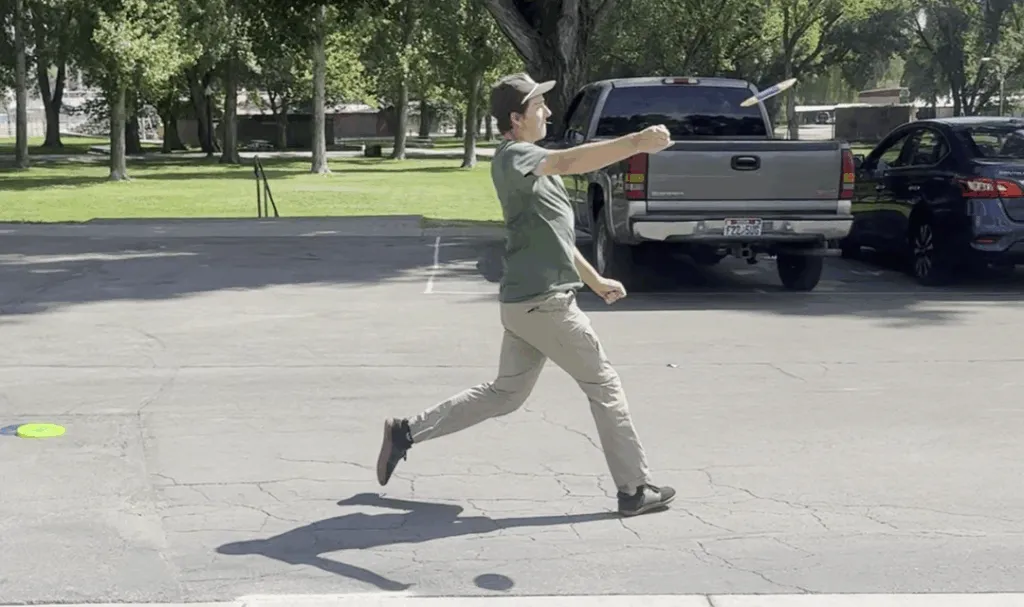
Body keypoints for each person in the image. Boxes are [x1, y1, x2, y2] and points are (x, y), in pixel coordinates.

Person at [376, 72, 675, 517]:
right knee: (605, 386)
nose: (548, 112)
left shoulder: (535, 163)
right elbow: (571, 163)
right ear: (516, 119)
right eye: (539, 106)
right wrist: (637, 142)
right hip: (545, 304)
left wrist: (595, 281)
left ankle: (405, 432)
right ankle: (634, 489)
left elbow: (556, 235)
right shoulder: (515, 156)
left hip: (526, 304)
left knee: (505, 394)